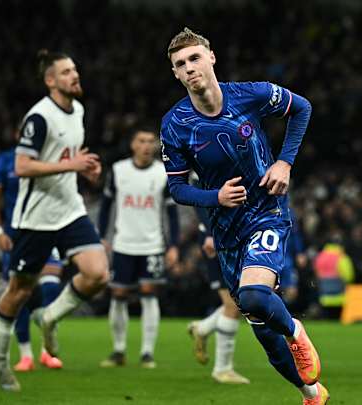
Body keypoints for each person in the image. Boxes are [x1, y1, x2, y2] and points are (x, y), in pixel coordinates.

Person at [160, 28, 328, 404]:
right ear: (175, 73)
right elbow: (177, 188)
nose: (190, 68)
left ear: (211, 57)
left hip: (267, 211)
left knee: (253, 297)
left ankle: (296, 331)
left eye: (195, 58)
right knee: (264, 334)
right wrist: (215, 197)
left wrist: (284, 162)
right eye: (181, 64)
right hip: (226, 231)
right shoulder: (174, 124)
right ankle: (312, 394)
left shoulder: (250, 95)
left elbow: (302, 108)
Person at [0, 49, 109, 392]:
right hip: (36, 217)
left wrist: (86, 169)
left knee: (98, 273)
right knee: (20, 290)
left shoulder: (78, 110)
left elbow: (69, 157)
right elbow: (22, 166)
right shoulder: (39, 117)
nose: (75, 75)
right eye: (67, 72)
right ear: (50, 80)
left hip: (69, 209)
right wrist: (70, 165)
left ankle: (50, 317)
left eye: (75, 69)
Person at [97, 128, 180, 369]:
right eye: (141, 141)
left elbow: (172, 213)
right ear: (133, 144)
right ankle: (119, 350)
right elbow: (105, 206)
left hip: (152, 245)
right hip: (123, 243)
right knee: (118, 295)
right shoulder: (118, 170)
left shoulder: (163, 173)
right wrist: (102, 237)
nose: (146, 146)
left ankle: (147, 353)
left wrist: (173, 245)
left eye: (151, 141)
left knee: (149, 294)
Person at [0, 138, 65, 372]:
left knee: (51, 286)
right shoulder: (3, 161)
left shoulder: (53, 156)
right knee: (19, 293)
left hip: (49, 229)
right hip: (17, 235)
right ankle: (25, 355)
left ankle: (46, 350)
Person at [187, 205, 250, 384]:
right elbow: (200, 200)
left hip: (236, 236)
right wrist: (209, 233)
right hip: (217, 237)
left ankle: (202, 329)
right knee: (233, 304)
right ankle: (222, 370)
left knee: (241, 300)